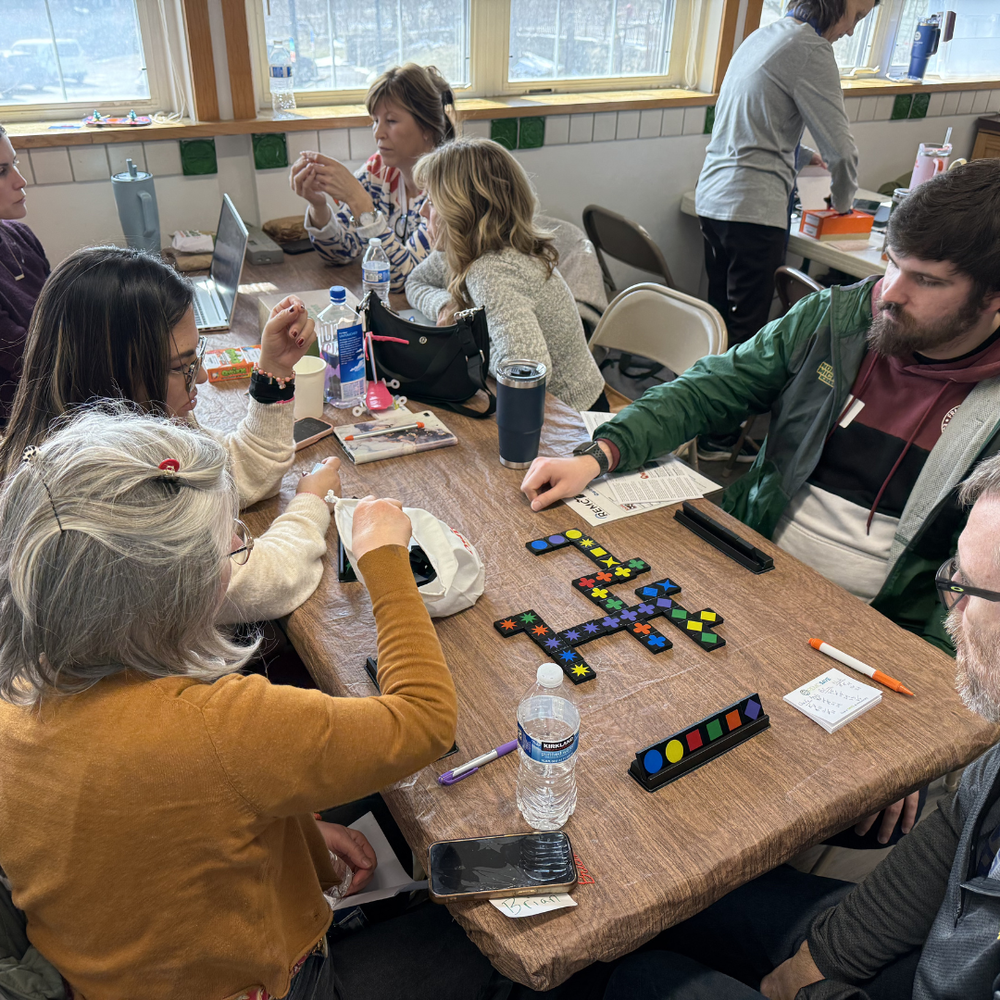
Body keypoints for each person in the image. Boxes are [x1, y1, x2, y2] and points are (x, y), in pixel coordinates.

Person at [523, 159, 1000, 844]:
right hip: (755, 569)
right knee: (635, 713)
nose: (890, 291)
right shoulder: (838, 317)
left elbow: (982, 606)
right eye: (892, 263)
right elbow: (712, 386)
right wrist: (602, 452)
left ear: (993, 299)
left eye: (926, 280)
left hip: (886, 633)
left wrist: (931, 724)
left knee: (786, 802)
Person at [0, 408, 506, 1000]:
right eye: (229, 547)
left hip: (102, 977)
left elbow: (157, 824)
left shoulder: (17, 700)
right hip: (271, 983)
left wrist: (301, 829)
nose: (239, 548)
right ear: (177, 594)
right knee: (492, 964)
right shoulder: (223, 728)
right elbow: (424, 720)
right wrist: (384, 557)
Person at [603, 452, 1000, 1000]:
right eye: (953, 573)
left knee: (643, 982)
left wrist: (814, 993)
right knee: (685, 906)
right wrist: (820, 960)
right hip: (943, 935)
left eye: (971, 590)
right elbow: (957, 829)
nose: (948, 608)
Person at [0, 245, 341, 624]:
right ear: (111, 378)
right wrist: (312, 503)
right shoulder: (111, 508)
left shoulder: (128, 426)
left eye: (196, 358)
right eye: (181, 366)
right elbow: (270, 580)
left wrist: (274, 368)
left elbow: (237, 470)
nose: (200, 377)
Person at [694, 0, 873, 460]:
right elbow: (844, 151)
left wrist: (798, 156)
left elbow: (751, 123)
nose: (852, 32)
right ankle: (720, 437)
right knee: (747, 332)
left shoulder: (764, 36)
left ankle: (705, 421)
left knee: (719, 321)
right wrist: (845, 206)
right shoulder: (811, 49)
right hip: (751, 209)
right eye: (858, 17)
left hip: (714, 200)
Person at [405, 136, 607, 413]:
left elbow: (527, 371)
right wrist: (446, 303)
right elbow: (416, 282)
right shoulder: (461, 249)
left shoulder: (492, 269)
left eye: (431, 201)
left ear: (462, 211)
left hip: (571, 417)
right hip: (541, 411)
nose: (423, 210)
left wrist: (468, 337)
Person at [289, 63, 455, 292]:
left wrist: (360, 202)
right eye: (375, 121)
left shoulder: (449, 190)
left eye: (391, 121)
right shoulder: (378, 171)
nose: (378, 133)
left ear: (427, 127)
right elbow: (341, 253)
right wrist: (318, 206)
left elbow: (405, 279)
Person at [0, 123, 49, 420]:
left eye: (14, 163)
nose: (21, 181)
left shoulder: (20, 235)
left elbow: (64, 314)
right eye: (1, 172)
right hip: (21, 423)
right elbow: (31, 359)